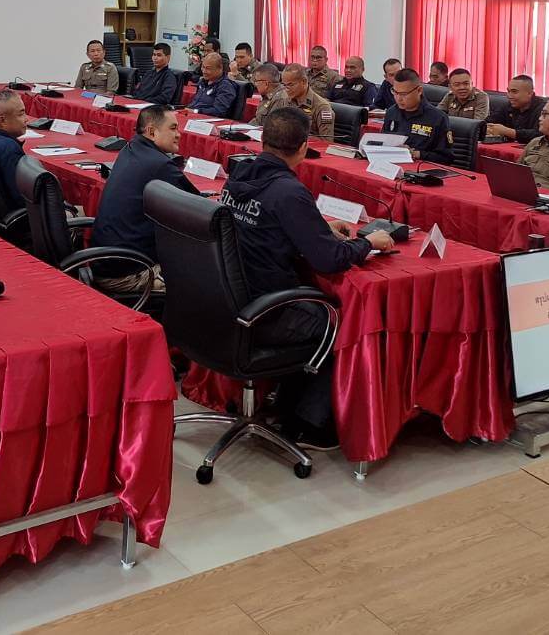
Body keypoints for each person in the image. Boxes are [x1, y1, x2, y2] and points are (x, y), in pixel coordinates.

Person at [219, 107, 394, 448]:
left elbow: (268, 223)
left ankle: (284, 398)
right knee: (347, 323)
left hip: (229, 299)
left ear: (263, 140)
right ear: (303, 147)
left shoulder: (240, 175)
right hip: (267, 309)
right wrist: (367, 242)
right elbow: (328, 260)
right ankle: (308, 422)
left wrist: (317, 226)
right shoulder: (288, 190)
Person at [91, 105, 197, 298]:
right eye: (173, 128)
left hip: (104, 260)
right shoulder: (160, 165)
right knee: (207, 279)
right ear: (152, 132)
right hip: (129, 273)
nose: (179, 135)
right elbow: (199, 209)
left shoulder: (129, 148)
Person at [381, 68, 453, 162]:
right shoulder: (391, 112)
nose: (398, 98)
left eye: (404, 94)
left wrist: (417, 154)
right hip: (393, 164)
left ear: (419, 91)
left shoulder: (438, 118)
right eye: (395, 92)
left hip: (422, 167)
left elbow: (446, 158)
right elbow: (384, 143)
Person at [484, 74, 547, 143]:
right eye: (508, 91)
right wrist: (489, 129)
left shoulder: (544, 109)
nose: (509, 96)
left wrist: (508, 132)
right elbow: (488, 122)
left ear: (530, 93)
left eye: (514, 92)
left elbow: (540, 134)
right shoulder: (508, 106)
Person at [280, 63, 336, 141]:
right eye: (284, 85)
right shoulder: (285, 99)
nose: (287, 89)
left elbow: (326, 141)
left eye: (290, 85)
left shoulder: (322, 107)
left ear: (304, 82)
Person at [188, 52, 240, 117]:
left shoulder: (226, 86)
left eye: (208, 68)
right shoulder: (203, 82)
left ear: (220, 68)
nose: (204, 71)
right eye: (203, 67)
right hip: (191, 115)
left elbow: (218, 111)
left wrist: (196, 111)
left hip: (205, 119)